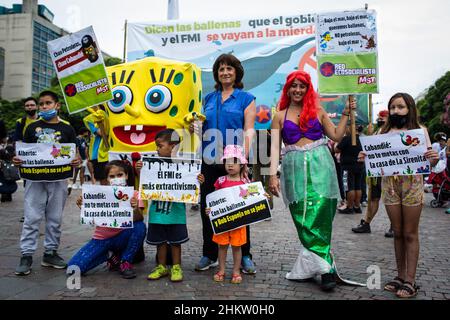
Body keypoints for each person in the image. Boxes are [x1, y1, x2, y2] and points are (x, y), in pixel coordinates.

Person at [268, 70, 356, 291]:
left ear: (308, 89)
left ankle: (325, 270)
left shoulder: (318, 111)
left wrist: (346, 114)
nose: (297, 90)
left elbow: (336, 136)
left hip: (321, 167)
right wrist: (272, 176)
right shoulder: (279, 116)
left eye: (302, 86)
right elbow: (274, 148)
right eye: (293, 85)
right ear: (287, 89)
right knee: (302, 217)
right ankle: (322, 265)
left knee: (322, 214)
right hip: (293, 169)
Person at [358, 93, 438, 298]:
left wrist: (434, 158)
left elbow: (429, 163)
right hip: (390, 187)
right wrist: (364, 157)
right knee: (398, 232)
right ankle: (400, 276)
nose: (395, 111)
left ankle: (411, 280)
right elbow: (373, 159)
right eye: (392, 107)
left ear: (410, 108)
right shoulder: (382, 133)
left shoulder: (420, 131)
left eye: (400, 107)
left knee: (411, 233)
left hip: (412, 186)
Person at [193, 53, 257, 274]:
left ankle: (246, 255)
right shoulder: (208, 100)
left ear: (236, 72)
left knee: (242, 208)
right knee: (207, 209)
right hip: (209, 161)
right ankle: (209, 254)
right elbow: (201, 128)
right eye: (221, 69)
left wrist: (243, 158)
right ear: (216, 74)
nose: (225, 72)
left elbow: (249, 129)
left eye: (229, 68)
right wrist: (195, 128)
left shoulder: (246, 98)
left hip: (235, 162)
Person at [13, 90, 81, 276]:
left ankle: (50, 253)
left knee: (55, 218)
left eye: (48, 103)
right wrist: (18, 160)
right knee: (31, 217)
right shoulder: (31, 128)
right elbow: (23, 152)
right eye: (41, 104)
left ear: (57, 105)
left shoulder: (68, 129)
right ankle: (26, 254)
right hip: (34, 180)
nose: (44, 107)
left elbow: (75, 154)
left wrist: (76, 161)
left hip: (58, 180)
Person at [68, 160, 146, 279]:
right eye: (112, 176)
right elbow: (92, 215)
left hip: (123, 236)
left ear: (127, 176)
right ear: (107, 179)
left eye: (120, 175)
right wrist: (84, 205)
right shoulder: (99, 194)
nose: (116, 179)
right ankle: (110, 256)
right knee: (74, 268)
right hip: (102, 239)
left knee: (140, 227)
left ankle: (125, 262)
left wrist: (134, 208)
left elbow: (140, 218)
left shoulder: (134, 194)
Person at [145, 129, 205, 282]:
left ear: (172, 146)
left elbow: (192, 183)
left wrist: (198, 179)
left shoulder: (185, 165)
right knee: (160, 242)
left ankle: (176, 267)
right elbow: (146, 182)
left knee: (175, 242)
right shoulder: (151, 164)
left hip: (176, 214)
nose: (157, 149)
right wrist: (141, 170)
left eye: (159, 146)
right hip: (157, 213)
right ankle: (161, 266)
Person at [207, 145, 250, 284]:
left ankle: (236, 271)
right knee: (222, 247)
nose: (230, 164)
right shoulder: (220, 181)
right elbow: (214, 199)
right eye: (227, 161)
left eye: (234, 161)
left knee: (237, 247)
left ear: (242, 164)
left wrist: (262, 198)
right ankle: (222, 270)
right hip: (223, 222)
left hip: (239, 222)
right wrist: (210, 209)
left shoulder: (245, 182)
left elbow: (251, 199)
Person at [352, 109, 394, 237]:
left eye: (383, 117)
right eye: (379, 118)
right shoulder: (377, 131)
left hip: (390, 173)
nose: (380, 119)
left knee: (392, 200)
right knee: (373, 198)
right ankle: (366, 223)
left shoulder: (394, 131)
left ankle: (395, 225)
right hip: (377, 172)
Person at [335, 125, 364, 214]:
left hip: (347, 167)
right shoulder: (362, 139)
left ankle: (350, 207)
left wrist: (339, 141)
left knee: (349, 187)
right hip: (359, 166)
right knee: (358, 186)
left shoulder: (347, 139)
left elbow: (336, 150)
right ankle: (357, 206)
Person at [83, 105, 109, 185]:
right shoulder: (98, 120)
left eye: (94, 106)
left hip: (102, 155)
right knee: (103, 180)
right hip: (98, 155)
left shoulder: (102, 113)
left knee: (105, 180)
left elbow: (87, 120)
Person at [68, 127, 90, 194]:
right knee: (76, 171)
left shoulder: (84, 139)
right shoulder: (77, 139)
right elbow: (76, 149)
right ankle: (74, 183)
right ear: (84, 132)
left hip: (84, 158)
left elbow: (85, 149)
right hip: (78, 157)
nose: (87, 133)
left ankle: (81, 184)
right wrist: (79, 157)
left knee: (82, 171)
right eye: (86, 132)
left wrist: (87, 157)